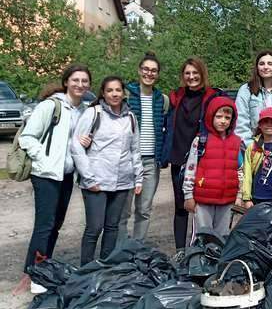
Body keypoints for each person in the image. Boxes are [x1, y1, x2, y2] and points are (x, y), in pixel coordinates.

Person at [17, 64, 89, 293]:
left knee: (56, 226)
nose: (80, 85)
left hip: (66, 175)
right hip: (46, 175)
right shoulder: (51, 106)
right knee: (44, 225)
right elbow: (27, 137)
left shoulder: (84, 110)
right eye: (75, 80)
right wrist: (44, 159)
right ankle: (35, 274)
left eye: (84, 81)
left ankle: (41, 267)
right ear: (66, 81)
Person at [72, 76, 142, 265]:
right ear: (103, 93)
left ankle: (105, 267)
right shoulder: (93, 113)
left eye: (118, 90)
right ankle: (86, 270)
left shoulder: (131, 117)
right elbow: (76, 147)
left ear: (123, 92)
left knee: (112, 227)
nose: (114, 94)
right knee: (94, 228)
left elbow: (135, 149)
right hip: (96, 181)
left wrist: (139, 178)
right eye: (110, 90)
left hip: (122, 181)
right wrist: (89, 178)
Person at [162, 57, 221, 249]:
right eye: (187, 73)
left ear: (202, 74)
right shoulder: (176, 96)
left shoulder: (213, 96)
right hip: (179, 158)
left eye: (195, 73)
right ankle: (180, 251)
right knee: (181, 207)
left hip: (203, 159)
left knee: (202, 207)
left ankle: (201, 251)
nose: (191, 77)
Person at [117, 52, 167, 247]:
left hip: (150, 162)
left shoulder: (161, 99)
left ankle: (136, 248)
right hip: (127, 160)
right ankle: (120, 249)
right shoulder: (126, 94)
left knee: (144, 209)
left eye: (154, 70)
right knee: (123, 212)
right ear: (139, 70)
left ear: (158, 74)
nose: (149, 73)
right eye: (146, 69)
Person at [182, 97, 242, 238]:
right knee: (202, 238)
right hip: (203, 200)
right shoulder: (201, 140)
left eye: (227, 117)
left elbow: (240, 170)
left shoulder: (237, 142)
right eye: (219, 116)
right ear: (210, 116)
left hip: (227, 200)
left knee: (221, 238)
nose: (223, 121)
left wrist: (239, 195)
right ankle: (198, 260)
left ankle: (217, 260)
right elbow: (190, 170)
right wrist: (188, 195)